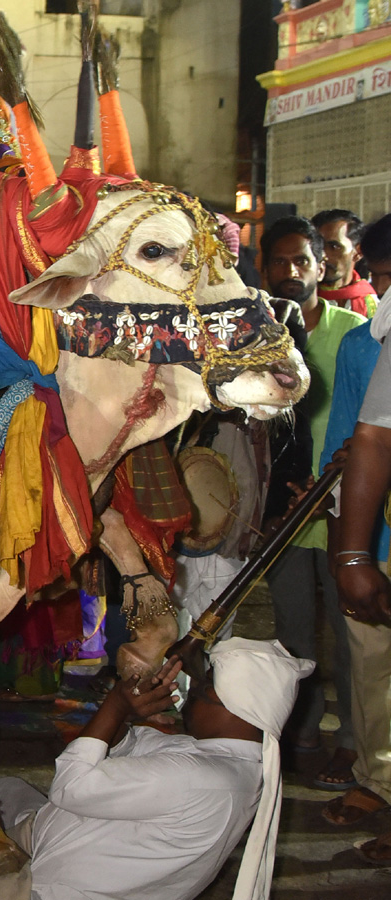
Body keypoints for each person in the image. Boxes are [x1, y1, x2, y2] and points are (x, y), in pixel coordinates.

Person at [0, 640, 314, 900]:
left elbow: (72, 786)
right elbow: (126, 745)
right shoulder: (231, 762)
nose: (189, 695)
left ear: (234, 710)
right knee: (6, 791)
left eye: (201, 692)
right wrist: (127, 712)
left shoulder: (202, 777)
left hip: (55, 890)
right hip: (59, 846)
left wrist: (116, 704)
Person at [260, 216, 364, 789]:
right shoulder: (257, 333)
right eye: (279, 261)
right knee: (293, 634)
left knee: (354, 638)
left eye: (302, 261)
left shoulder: (357, 332)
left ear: (323, 268)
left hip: (348, 508)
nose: (291, 272)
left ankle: (352, 743)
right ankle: (299, 731)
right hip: (287, 515)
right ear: (264, 268)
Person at [330, 214, 391, 862]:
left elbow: (375, 437)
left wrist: (351, 555)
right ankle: (378, 778)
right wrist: (350, 542)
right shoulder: (365, 342)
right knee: (373, 666)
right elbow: (363, 436)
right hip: (377, 525)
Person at [312, 208, 379, 317]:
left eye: (334, 247)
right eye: (319, 247)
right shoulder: (299, 300)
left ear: (358, 252)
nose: (323, 255)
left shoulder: (373, 306)